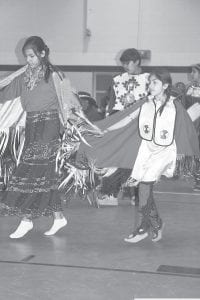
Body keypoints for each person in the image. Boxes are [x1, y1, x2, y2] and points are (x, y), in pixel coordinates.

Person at [75, 68, 199, 243]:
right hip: (146, 151)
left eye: (155, 82)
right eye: (150, 82)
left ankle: (143, 227)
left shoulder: (174, 106)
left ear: (165, 85)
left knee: (144, 187)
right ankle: (156, 224)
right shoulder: (145, 103)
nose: (150, 85)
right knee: (144, 189)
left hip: (164, 153)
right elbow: (125, 120)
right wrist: (101, 130)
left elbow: (186, 128)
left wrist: (184, 157)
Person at [0, 36, 82, 239]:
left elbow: (70, 101)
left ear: (42, 54)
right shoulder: (24, 76)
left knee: (31, 170)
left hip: (50, 125)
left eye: (31, 56)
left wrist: (76, 125)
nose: (28, 60)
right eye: (26, 56)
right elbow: (5, 94)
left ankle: (26, 220)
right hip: (32, 125)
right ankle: (59, 216)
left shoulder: (54, 75)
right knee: (44, 175)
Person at [97, 48, 149, 205]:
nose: (125, 66)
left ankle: (138, 195)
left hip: (140, 125)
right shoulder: (118, 79)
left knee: (139, 160)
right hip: (119, 123)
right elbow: (111, 103)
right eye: (124, 63)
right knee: (115, 158)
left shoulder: (148, 79)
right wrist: (108, 124)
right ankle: (110, 193)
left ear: (137, 61)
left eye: (128, 63)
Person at [185, 63, 200, 191]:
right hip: (192, 125)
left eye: (194, 72)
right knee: (195, 154)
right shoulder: (189, 88)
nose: (191, 74)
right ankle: (197, 179)